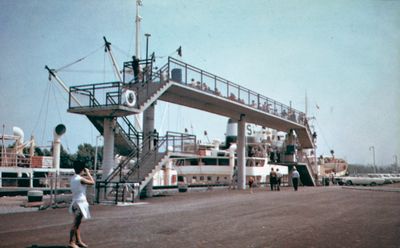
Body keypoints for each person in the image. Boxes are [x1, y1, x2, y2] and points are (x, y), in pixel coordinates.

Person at [69, 161, 94, 248]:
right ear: (82, 169)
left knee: (78, 224)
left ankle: (78, 241)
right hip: (80, 203)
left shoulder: (73, 178)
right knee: (76, 224)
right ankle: (71, 242)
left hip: (75, 202)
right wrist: (88, 173)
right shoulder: (80, 179)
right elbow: (92, 182)